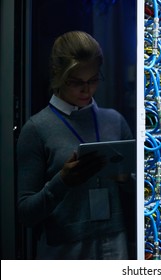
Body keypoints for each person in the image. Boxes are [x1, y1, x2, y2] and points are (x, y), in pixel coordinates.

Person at [17, 31, 134, 259]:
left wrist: (126, 180)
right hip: (64, 250)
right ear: (57, 75)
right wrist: (62, 182)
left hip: (114, 241)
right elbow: (26, 213)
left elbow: (143, 192)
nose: (87, 90)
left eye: (93, 80)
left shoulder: (114, 120)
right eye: (76, 82)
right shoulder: (36, 129)